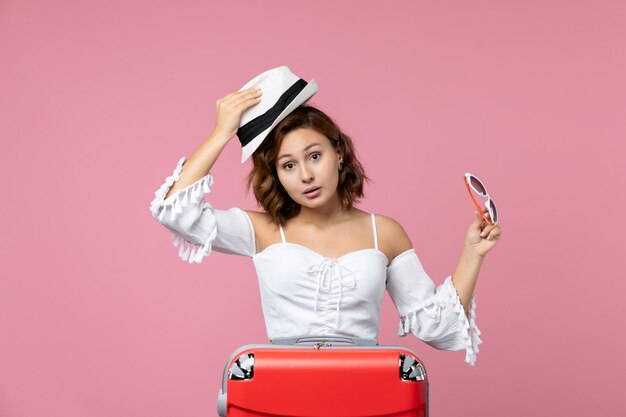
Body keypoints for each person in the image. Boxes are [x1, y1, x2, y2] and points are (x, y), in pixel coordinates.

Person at [149, 67, 501, 366]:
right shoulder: (263, 230)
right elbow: (174, 212)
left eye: (314, 156)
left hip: (366, 392)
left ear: (339, 153)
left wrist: (472, 254)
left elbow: (436, 329)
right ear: (277, 175)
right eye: (289, 165)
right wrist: (221, 134)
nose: (305, 175)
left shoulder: (385, 232)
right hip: (281, 391)